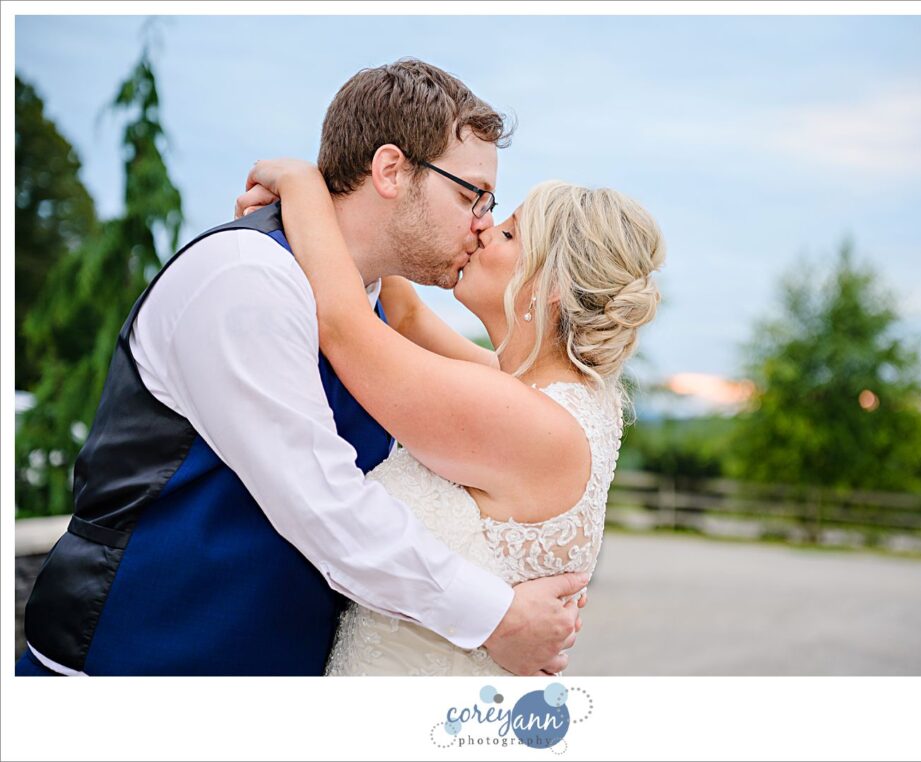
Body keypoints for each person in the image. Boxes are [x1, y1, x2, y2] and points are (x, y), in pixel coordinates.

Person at [15, 59, 586, 677]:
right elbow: (321, 502)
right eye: (471, 195)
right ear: (391, 171)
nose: (483, 223)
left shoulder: (374, 313)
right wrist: (497, 618)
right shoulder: (249, 277)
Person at [235, 155, 665, 675]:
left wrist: (302, 184)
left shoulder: (520, 417)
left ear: (550, 285)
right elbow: (406, 317)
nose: (484, 229)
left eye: (509, 234)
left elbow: (345, 327)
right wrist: (375, 214)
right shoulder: (555, 395)